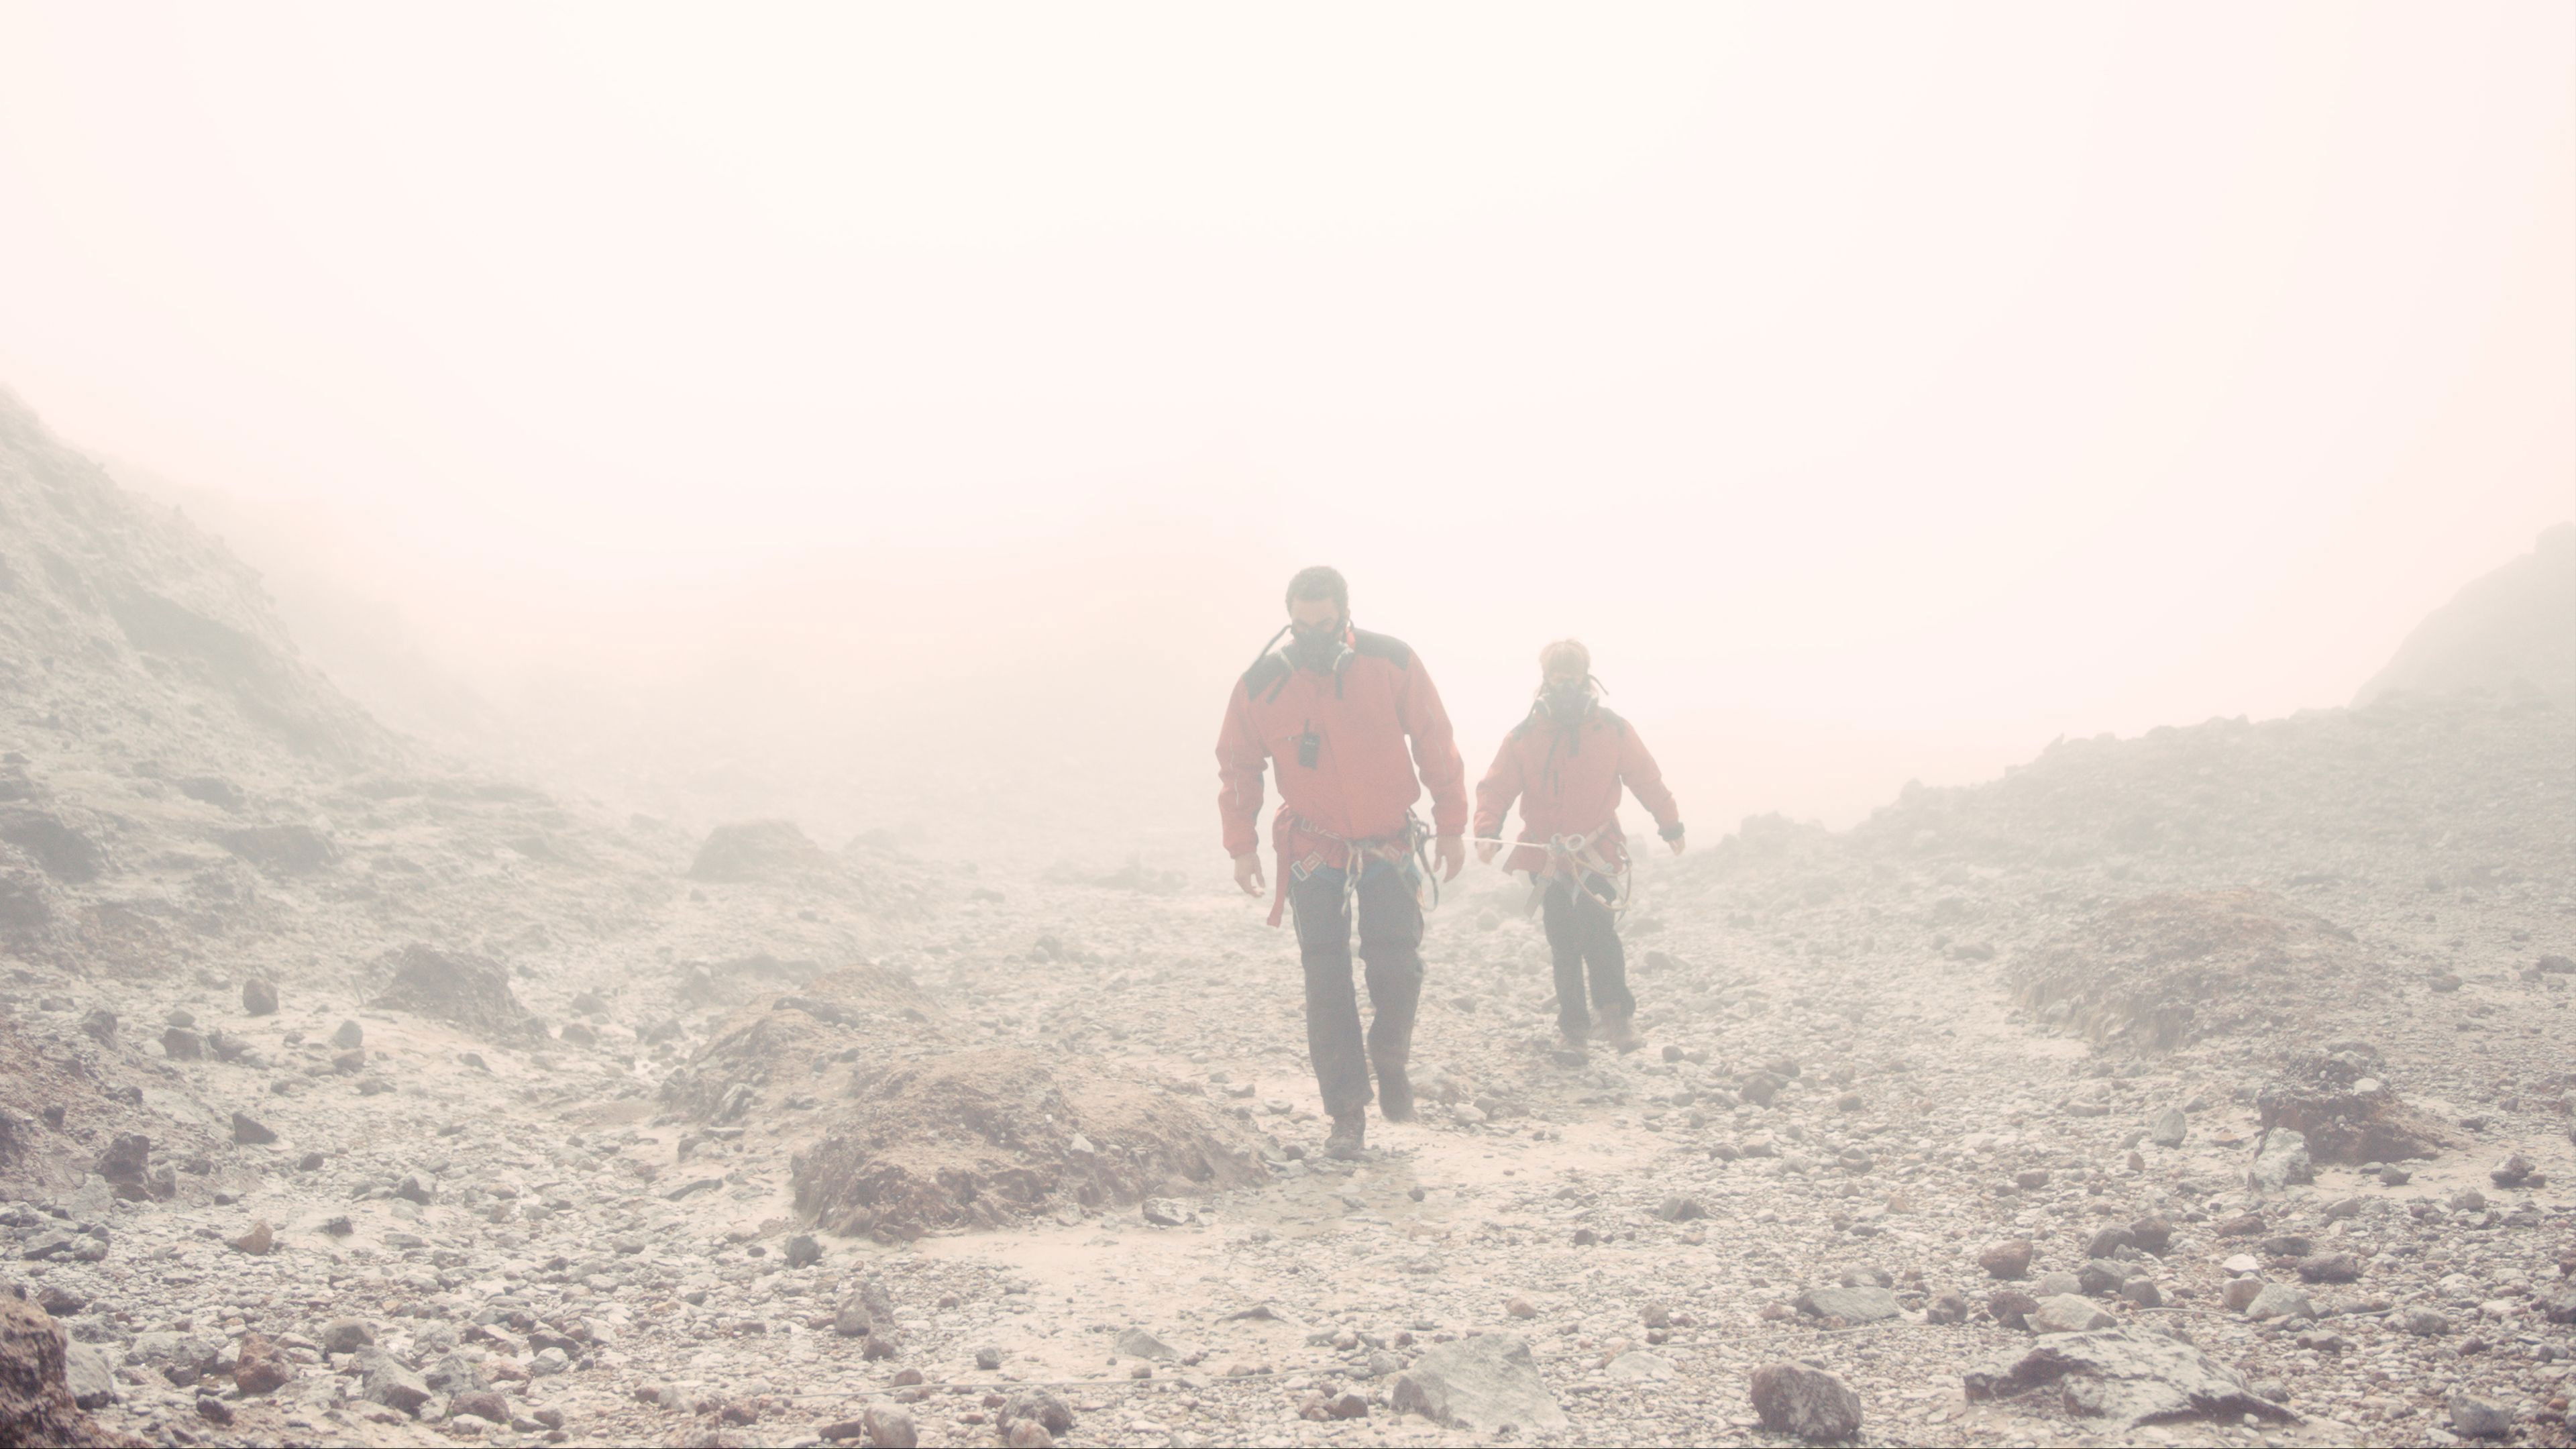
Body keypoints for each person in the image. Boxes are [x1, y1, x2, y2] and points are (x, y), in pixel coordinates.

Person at [1216, 566, 1466, 1160]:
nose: (1313, 637)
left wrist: (1454, 824)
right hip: (1313, 849)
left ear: (1345, 617)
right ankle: (1347, 1115)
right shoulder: (1262, 685)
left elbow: (1434, 740)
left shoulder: (1391, 662)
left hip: (1388, 843)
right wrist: (1242, 845)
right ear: (1289, 621)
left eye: (1324, 625)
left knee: (1397, 966)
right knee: (1326, 983)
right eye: (1301, 626)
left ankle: (1391, 1056)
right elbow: (1238, 764)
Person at [1473, 639, 1682, 1062]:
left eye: (1572, 674)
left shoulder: (1613, 730)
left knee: (1599, 931)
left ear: (1586, 676)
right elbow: (1496, 787)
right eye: (1557, 675)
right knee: (1563, 941)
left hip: (1597, 848)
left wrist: (1670, 823)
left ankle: (1615, 1016)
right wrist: (1487, 829)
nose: (1565, 682)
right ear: (1545, 678)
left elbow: (1646, 778)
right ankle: (1574, 1029)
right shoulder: (1524, 737)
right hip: (1547, 856)